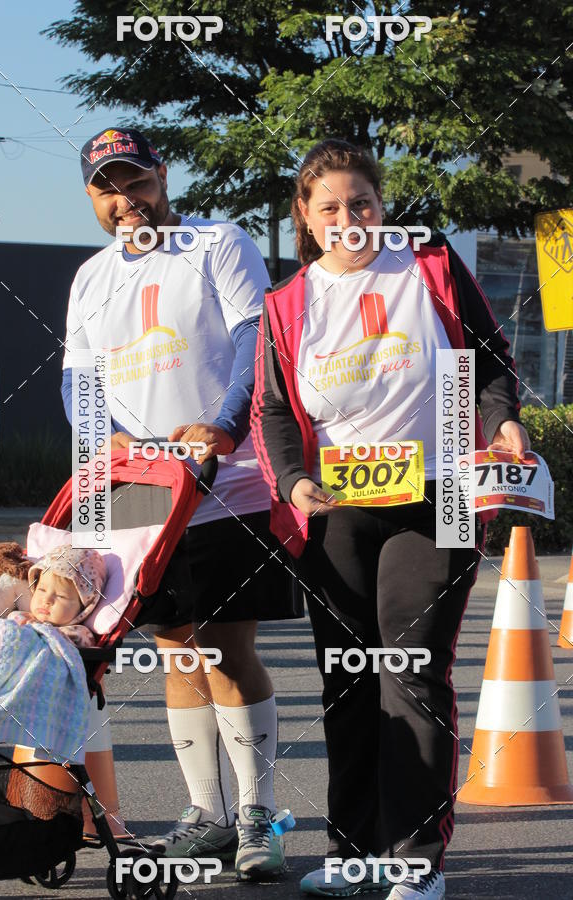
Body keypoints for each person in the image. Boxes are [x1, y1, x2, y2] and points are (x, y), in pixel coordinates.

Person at [251, 138, 530, 898]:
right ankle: (354, 851)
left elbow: (489, 358)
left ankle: (414, 860)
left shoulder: (429, 265)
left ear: (382, 206)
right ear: (305, 216)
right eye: (330, 207)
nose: (349, 218)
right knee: (348, 682)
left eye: (362, 202)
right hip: (337, 509)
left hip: (439, 492)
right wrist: (293, 482)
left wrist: (501, 417)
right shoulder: (286, 303)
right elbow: (272, 411)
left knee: (409, 672)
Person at [61, 127, 299, 880]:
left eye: (136, 181)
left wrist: (224, 426)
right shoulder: (91, 278)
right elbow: (79, 385)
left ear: (162, 177)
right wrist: (110, 443)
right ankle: (208, 815)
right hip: (143, 498)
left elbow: (258, 339)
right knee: (176, 652)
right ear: (91, 197)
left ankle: (259, 815)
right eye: (107, 188)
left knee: (227, 650)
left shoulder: (218, 243)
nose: (125, 199)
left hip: (227, 486)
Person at [8, 545, 106, 648]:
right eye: (42, 590)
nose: (46, 600)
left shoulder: (77, 635)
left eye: (61, 596)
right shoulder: (19, 618)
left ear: (83, 608)